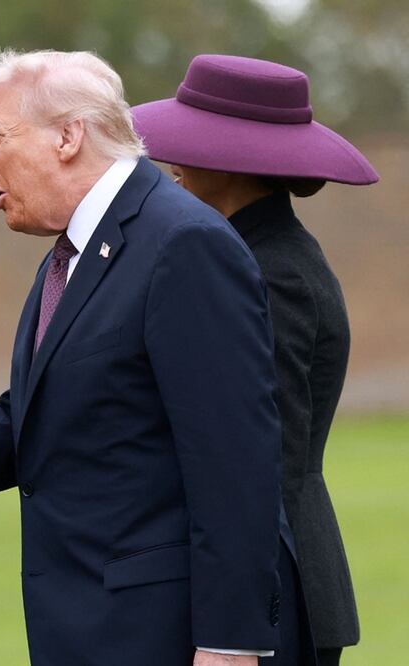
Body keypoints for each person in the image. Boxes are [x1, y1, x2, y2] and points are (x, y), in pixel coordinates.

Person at [0, 49, 304, 665]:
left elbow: (235, 465)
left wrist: (230, 645)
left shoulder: (183, 245)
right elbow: (40, 417)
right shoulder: (79, 248)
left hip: (169, 637)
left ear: (67, 136)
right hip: (98, 632)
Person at [131, 54, 378, 666]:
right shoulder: (248, 251)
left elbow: (252, 451)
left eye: (191, 145)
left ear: (236, 159)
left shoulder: (270, 270)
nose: (172, 163)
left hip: (276, 584)